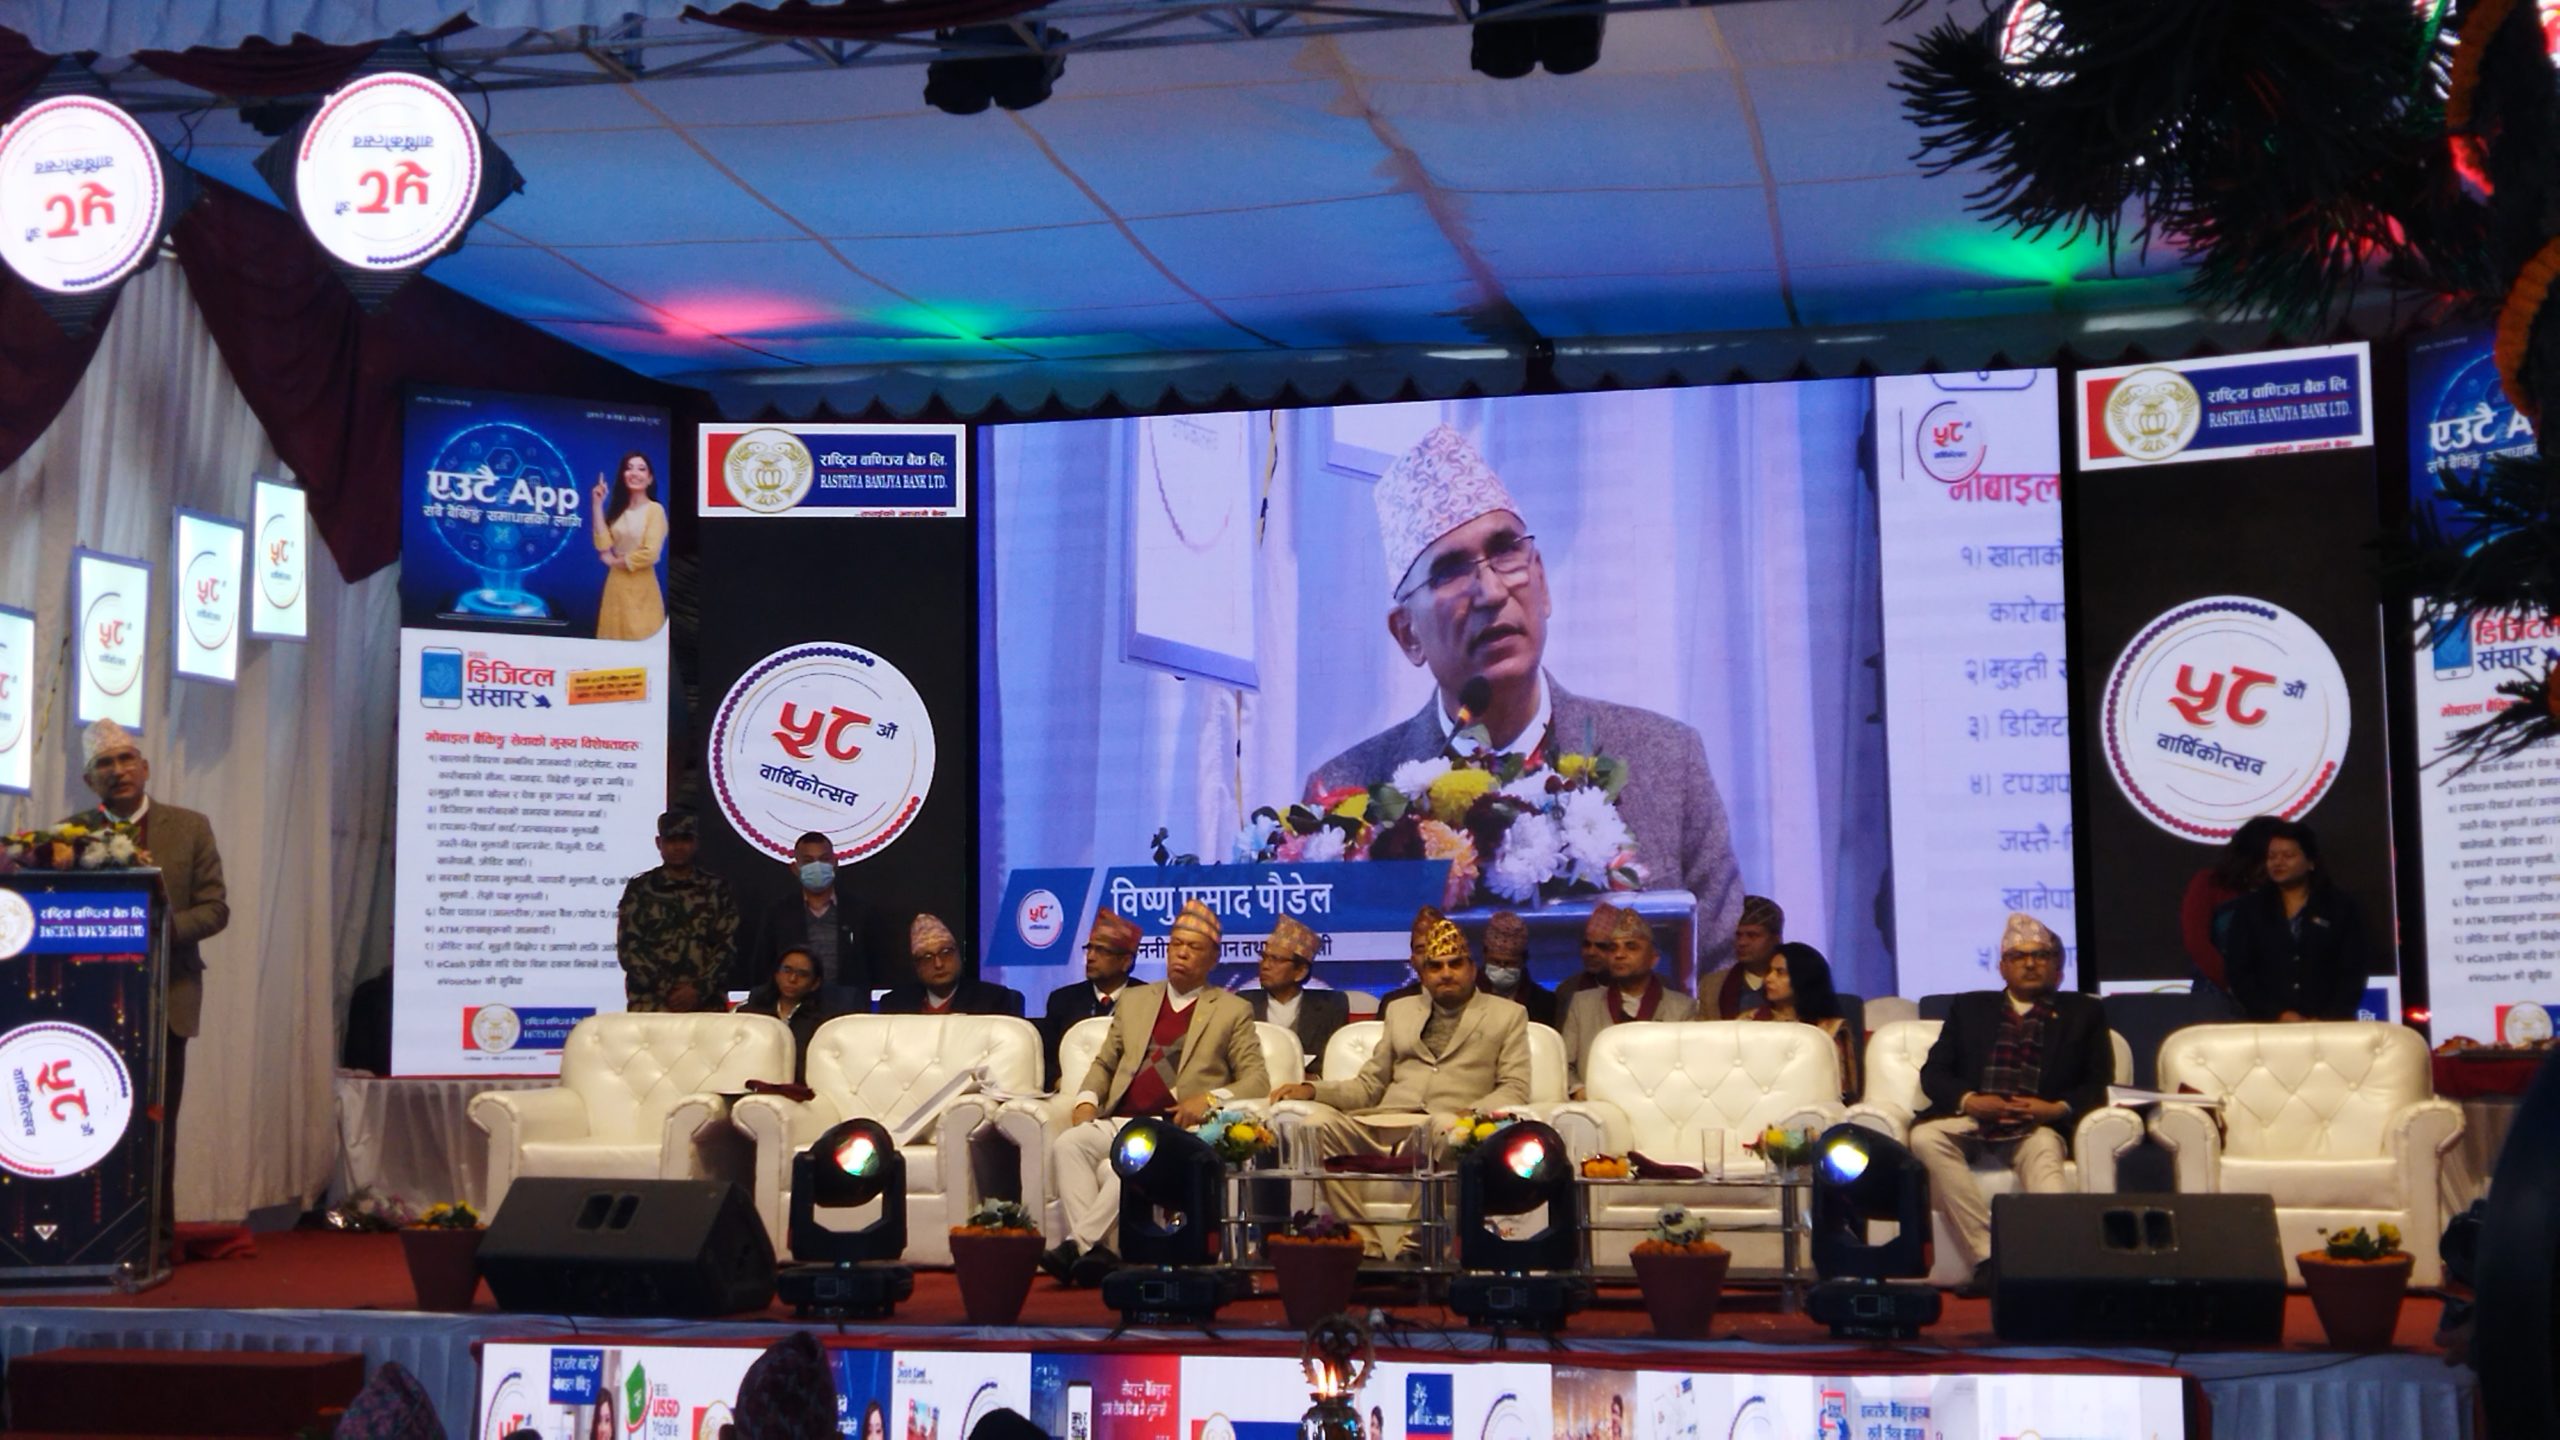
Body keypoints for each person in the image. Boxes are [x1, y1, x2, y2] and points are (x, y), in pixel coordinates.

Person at [1300, 425, 1746, 965]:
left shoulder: (1667, 762)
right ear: (1407, 634)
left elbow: (1726, 985)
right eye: (1450, 571)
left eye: (1506, 552)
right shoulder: (1345, 795)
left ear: (1543, 583)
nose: (1491, 592)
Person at [1269, 907, 1531, 1257]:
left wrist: (1472, 1114)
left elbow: (1514, 1086)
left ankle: (1414, 1247)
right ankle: (1365, 1245)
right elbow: (1368, 1086)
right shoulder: (1401, 1010)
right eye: (1435, 967)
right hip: (1386, 1123)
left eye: (1454, 964)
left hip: (1447, 1124)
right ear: (1423, 973)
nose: (1446, 973)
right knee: (1314, 1125)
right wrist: (1314, 1090)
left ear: (1472, 968)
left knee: (1446, 1128)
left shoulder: (1507, 1015)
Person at [1039, 900, 1269, 1285]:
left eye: (1193, 947)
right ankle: (1099, 1253)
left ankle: (1079, 1247)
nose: (1181, 953)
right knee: (1069, 1144)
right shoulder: (1136, 1000)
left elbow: (1257, 1080)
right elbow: (1105, 1063)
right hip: (1121, 1118)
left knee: (1131, 1162)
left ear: (1214, 958)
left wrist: (1209, 1100)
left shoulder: (1232, 1009)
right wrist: (1086, 1101)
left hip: (1174, 1129)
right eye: (1176, 944)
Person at [64, 721, 225, 1252]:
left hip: (166, 998)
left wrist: (157, 929)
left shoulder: (190, 827)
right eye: (105, 764)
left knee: (157, 1128)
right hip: (92, 1002)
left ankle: (154, 1239)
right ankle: (93, 1236)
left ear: (145, 767)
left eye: (126, 759)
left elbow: (215, 908)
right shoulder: (67, 836)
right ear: (90, 781)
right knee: (95, 1123)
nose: (118, 771)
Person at [1909, 913, 2116, 1293]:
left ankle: (2054, 1271)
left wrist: (2056, 1108)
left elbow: (2099, 1084)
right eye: (2019, 956)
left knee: (2046, 1160)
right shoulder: (1969, 1008)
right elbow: (1934, 1074)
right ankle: (1988, 1258)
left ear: (2056, 966)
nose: (2030, 963)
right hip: (1972, 1122)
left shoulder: (2083, 1012)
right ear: (2003, 967)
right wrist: (1971, 1101)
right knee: (1925, 1137)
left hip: (2037, 1126)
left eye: (2041, 955)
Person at [2220, 820, 2373, 1023]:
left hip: (2328, 1025)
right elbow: (2239, 973)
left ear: (2310, 862)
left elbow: (2353, 971)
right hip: (2268, 1025)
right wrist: (2277, 1014)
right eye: (2272, 856)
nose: (2278, 862)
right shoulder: (2249, 908)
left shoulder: (2340, 907)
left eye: (2288, 855)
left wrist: (2328, 1018)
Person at [1559, 905, 1695, 1094]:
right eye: (1613, 948)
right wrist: (1580, 1091)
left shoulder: (1682, 1009)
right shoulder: (1583, 1004)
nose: (1619, 955)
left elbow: (1690, 1072)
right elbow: (1563, 1064)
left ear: (1654, 958)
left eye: (1631, 947)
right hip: (1596, 1104)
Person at [614, 811, 739, 1013]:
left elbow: (728, 946)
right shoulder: (640, 889)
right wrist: (668, 989)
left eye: (685, 839)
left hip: (705, 1003)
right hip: (652, 1003)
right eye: (671, 840)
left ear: (696, 842)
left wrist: (697, 990)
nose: (678, 847)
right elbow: (630, 949)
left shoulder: (716, 889)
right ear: (659, 843)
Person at [741, 831, 872, 1006]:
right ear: (795, 868)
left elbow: (874, 966)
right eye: (808, 861)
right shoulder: (778, 913)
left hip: (847, 1007)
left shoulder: (859, 911)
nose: (817, 866)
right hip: (793, 1007)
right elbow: (762, 967)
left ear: (835, 864)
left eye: (824, 859)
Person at [2181, 815, 2281, 1004]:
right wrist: (2233, 984)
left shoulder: (2286, 890)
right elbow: (2197, 942)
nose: (2278, 863)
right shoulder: (2209, 883)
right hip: (2216, 993)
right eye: (2271, 856)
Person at [1038, 909, 1142, 1085]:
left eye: (1102, 951)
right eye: (1089, 948)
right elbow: (1046, 1059)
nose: (1091, 957)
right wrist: (1060, 1083)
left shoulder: (1147, 999)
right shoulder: (1063, 1000)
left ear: (1126, 961)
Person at [1746, 941, 1859, 1103]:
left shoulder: (1829, 1030)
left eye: (1780, 972)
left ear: (1803, 978)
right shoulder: (1748, 1021)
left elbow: (1841, 1092)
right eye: (1769, 971)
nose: (1768, 979)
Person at [1241, 916, 1351, 1068]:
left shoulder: (1332, 1005)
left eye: (1275, 959)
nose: (1265, 965)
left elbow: (1334, 1062)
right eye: (1264, 957)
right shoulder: (1243, 1003)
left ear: (1300, 971)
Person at [877, 915, 1026, 1016]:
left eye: (946, 952)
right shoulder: (894, 1004)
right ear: (916, 966)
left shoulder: (994, 1000)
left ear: (958, 954)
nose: (938, 964)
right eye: (927, 957)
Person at [591, 450, 667, 641]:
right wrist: (597, 505)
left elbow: (650, 553)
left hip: (642, 586)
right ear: (623, 475)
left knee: (640, 638)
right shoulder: (619, 510)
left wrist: (616, 562)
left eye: (641, 469)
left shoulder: (655, 510)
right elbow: (603, 544)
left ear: (649, 478)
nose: (634, 473)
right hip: (616, 586)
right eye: (629, 468)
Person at [737, 947, 830, 1082]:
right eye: (787, 970)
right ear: (776, 974)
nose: (792, 979)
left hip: (801, 1088)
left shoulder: (823, 1022)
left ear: (815, 984)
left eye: (802, 974)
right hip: (752, 1085)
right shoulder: (750, 1014)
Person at [1696, 895, 1784, 1019]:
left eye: (1752, 935)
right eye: (1738, 935)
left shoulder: (1795, 983)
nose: (1742, 943)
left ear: (1775, 939)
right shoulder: (1713, 986)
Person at [1551, 903, 1623, 1011]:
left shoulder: (1635, 988)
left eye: (1601, 946)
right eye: (1586, 944)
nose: (1591, 952)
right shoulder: (1568, 991)